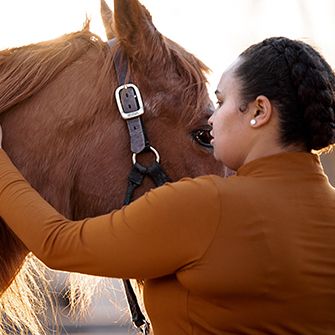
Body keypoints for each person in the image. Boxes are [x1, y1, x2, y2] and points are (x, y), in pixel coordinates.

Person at [0, 36, 335, 334]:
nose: (213, 120)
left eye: (220, 103)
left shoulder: (206, 204)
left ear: (259, 111)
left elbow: (57, 244)